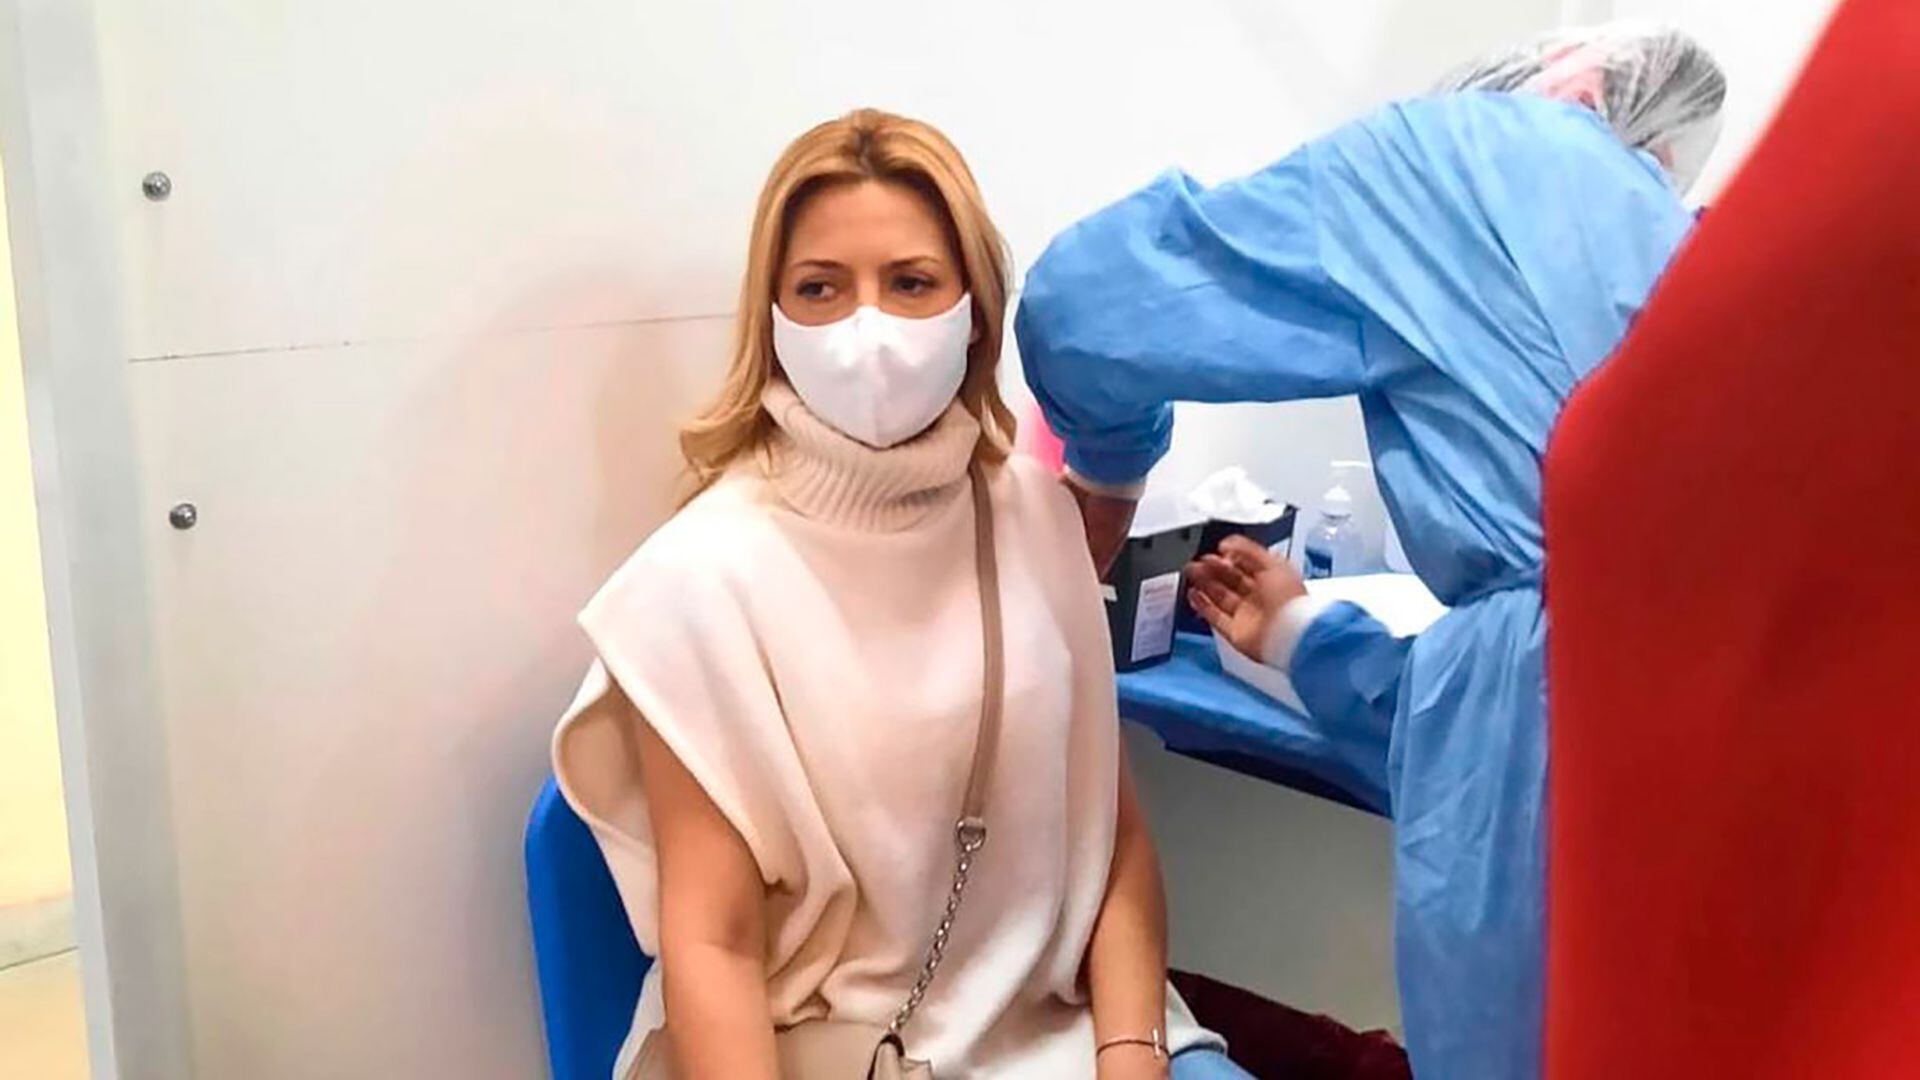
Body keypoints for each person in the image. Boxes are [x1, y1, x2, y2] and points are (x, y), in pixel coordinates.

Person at [1013, 26, 1723, 1080]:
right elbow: (1544, 666)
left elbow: (1086, 307)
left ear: (1558, 86)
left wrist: (1108, 476)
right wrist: (1306, 638)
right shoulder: (1704, 256)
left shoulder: (1463, 159)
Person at [552, 110, 1242, 1079]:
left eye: (911, 283)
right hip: (819, 1053)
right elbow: (714, 946)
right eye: (820, 288)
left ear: (974, 312)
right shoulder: (690, 587)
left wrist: (1135, 1053)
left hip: (1055, 1036)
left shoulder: (1037, 520)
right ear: (772, 318)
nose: (865, 329)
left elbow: (1116, 846)